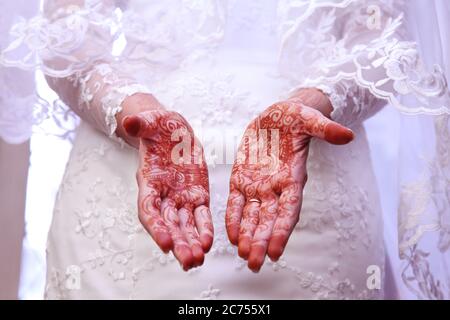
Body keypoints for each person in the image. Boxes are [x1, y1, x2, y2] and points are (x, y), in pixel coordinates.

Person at [1, 0, 449, 299]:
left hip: (313, 192)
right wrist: (130, 108)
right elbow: (65, 33)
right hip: (129, 179)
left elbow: (384, 41)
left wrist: (315, 100)